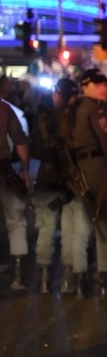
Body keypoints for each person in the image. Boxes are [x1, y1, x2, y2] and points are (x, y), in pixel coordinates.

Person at [73, 68, 107, 297]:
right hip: (97, 168)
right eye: (98, 84)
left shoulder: (75, 109)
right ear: (85, 86)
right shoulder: (96, 110)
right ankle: (105, 281)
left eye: (104, 84)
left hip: (78, 169)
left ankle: (79, 280)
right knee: (103, 226)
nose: (104, 88)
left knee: (82, 227)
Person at [31, 78, 77, 293]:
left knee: (45, 228)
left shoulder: (44, 118)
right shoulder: (76, 118)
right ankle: (68, 278)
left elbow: (36, 149)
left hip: (48, 179)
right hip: (70, 181)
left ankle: (44, 279)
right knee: (70, 231)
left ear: (57, 95)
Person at [0, 79, 31, 291]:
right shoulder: (5, 109)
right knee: (16, 220)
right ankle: (18, 277)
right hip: (3, 170)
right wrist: (24, 170)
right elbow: (20, 141)